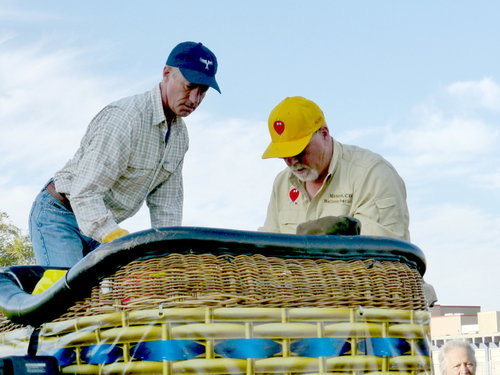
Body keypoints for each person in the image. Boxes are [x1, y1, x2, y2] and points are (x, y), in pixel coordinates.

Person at [29, 41, 221, 268]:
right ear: (167, 74)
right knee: (67, 295)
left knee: (116, 297)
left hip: (100, 227)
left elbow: (167, 208)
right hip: (61, 215)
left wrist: (167, 256)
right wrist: (116, 239)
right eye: (189, 87)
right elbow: (84, 193)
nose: (194, 100)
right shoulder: (126, 119)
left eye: (203, 92)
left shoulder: (179, 137)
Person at [259, 96, 410, 240]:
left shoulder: (373, 174)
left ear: (324, 133)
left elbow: (382, 256)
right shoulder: (282, 183)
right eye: (283, 154)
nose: (292, 162)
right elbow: (267, 248)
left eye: (299, 151)